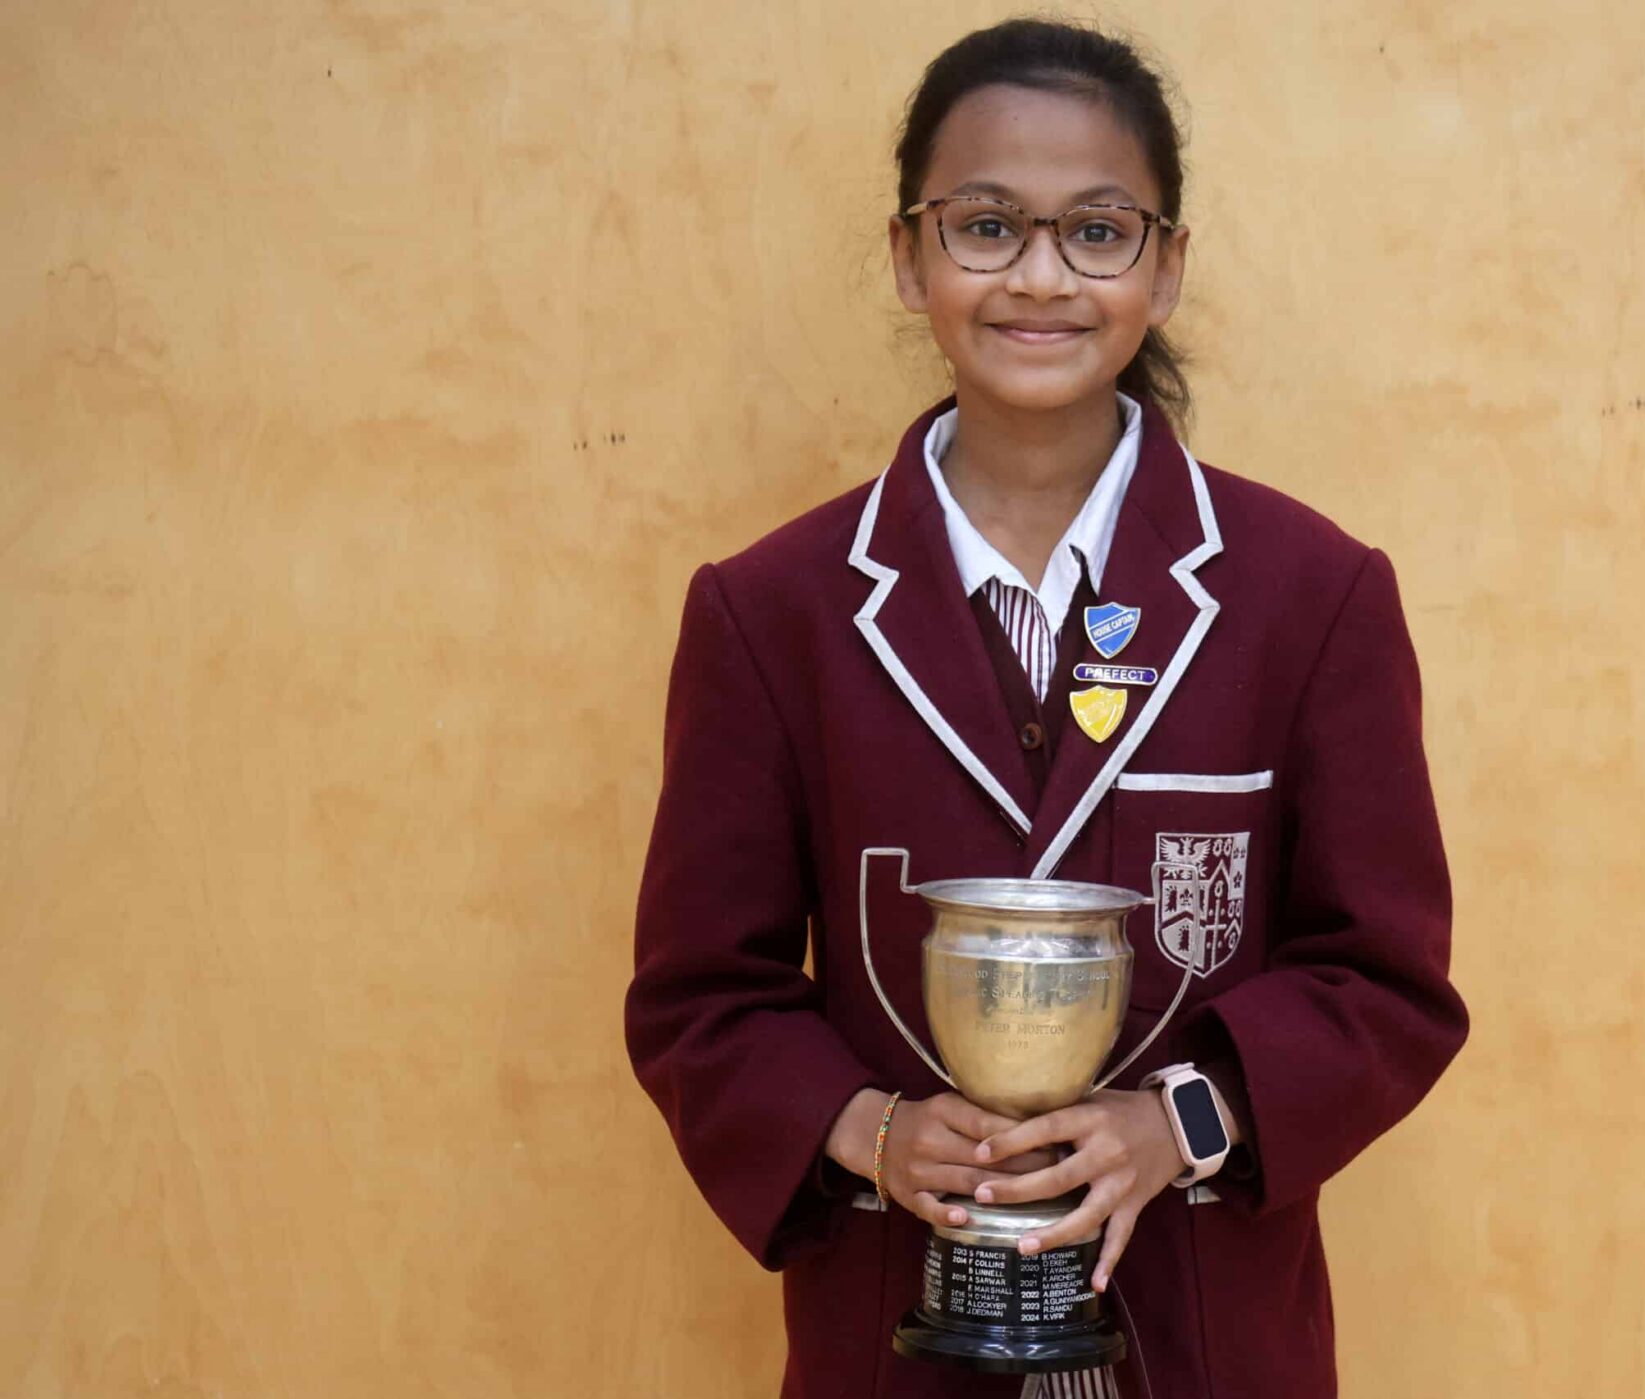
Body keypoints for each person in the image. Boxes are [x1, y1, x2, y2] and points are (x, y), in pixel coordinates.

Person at [624, 18, 1468, 1399]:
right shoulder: (771, 611)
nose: (1038, 276)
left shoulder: (1310, 595)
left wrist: (1182, 1122)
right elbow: (698, 997)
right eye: (986, 225)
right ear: (908, 256)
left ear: (1167, 266)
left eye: (1097, 230)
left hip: (1209, 1340)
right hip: (895, 1336)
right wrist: (870, 1133)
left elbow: (1389, 980)